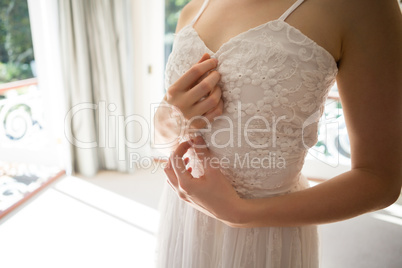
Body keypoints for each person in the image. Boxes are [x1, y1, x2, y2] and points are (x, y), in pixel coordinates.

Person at [154, 0, 402, 267]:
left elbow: (380, 180)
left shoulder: (363, 7)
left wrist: (241, 213)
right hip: (183, 216)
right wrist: (169, 117)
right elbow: (163, 141)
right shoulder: (193, 9)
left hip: (265, 234)